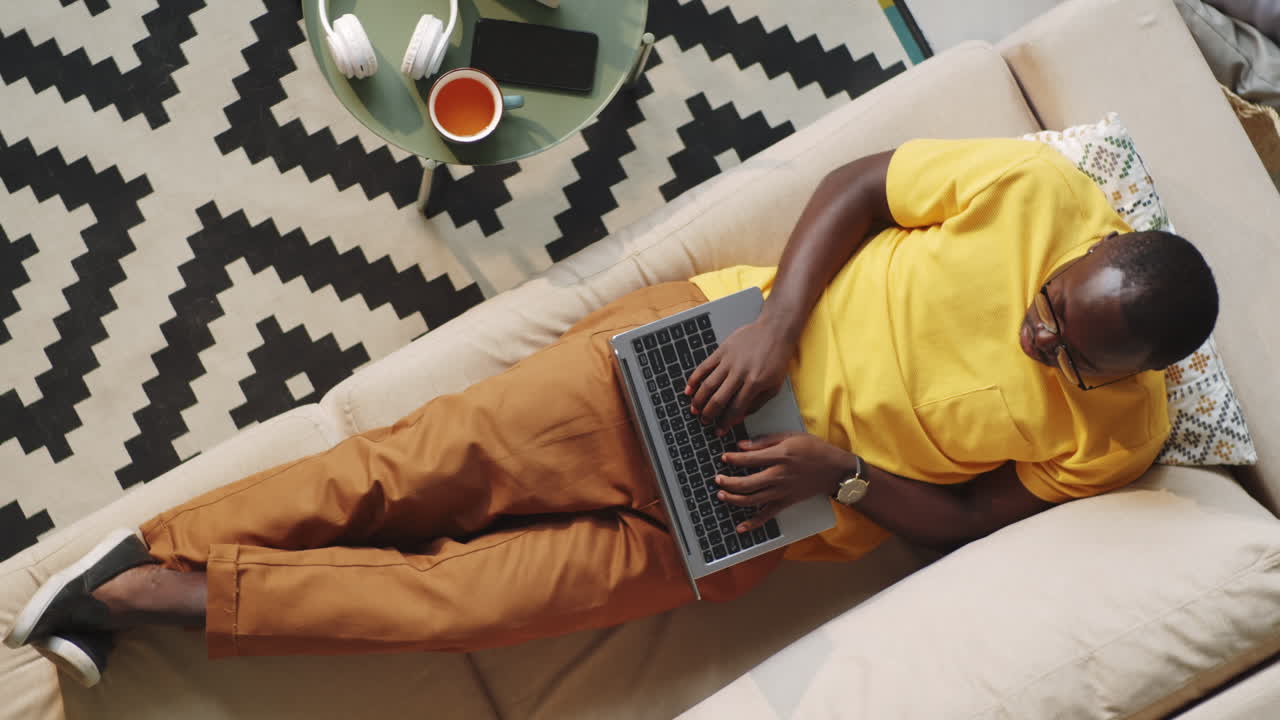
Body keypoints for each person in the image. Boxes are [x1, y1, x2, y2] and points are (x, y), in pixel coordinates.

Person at [3, 138, 1218, 688]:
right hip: (698, 354)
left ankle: (166, 592)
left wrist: (837, 478)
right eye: (1051, 307)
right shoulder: (1038, 189)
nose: (1036, 336)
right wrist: (779, 322)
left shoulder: (1118, 441)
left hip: (754, 519)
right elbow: (861, 185)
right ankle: (139, 560)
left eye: (1067, 357)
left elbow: (963, 523)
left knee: (455, 605)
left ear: (1128, 378)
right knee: (404, 473)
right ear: (1095, 244)